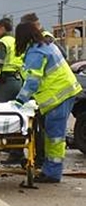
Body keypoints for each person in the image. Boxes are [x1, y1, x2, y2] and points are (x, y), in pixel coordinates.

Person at [12, 22, 82, 183]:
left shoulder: (36, 52)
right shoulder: (45, 45)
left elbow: (32, 82)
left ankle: (52, 173)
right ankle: (50, 169)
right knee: (52, 134)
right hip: (64, 91)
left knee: (55, 136)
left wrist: (19, 102)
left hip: (59, 95)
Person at [0, 18, 25, 164]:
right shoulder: (15, 41)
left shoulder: (1, 43)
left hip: (6, 81)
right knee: (16, 115)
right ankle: (15, 148)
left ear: (2, 28)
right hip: (18, 80)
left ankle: (15, 152)